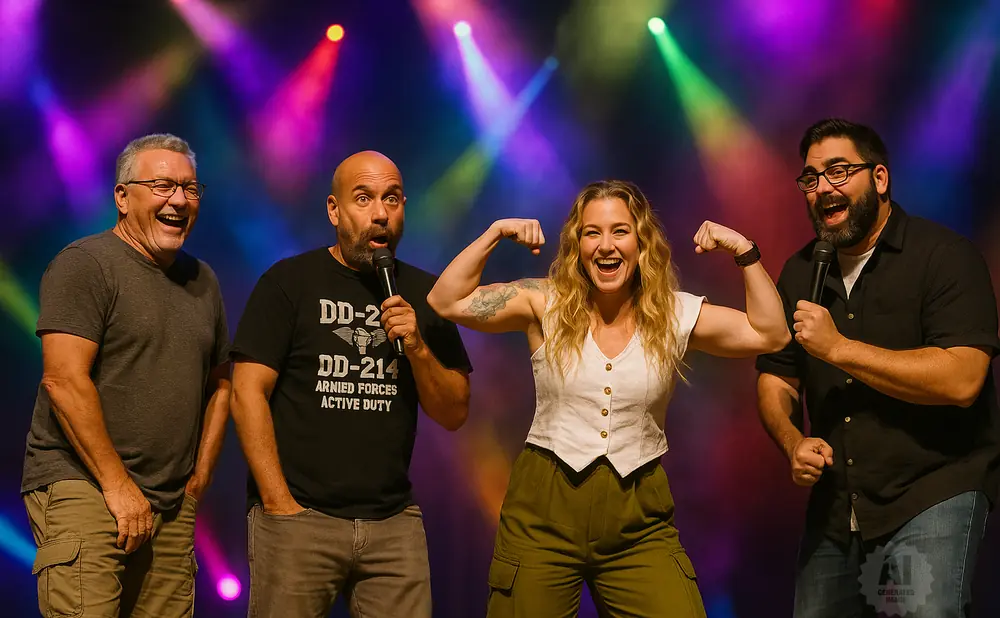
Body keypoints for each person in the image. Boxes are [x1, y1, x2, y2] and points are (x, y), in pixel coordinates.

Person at [427, 179, 790, 617]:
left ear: (642, 242)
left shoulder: (675, 314)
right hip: (542, 514)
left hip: (638, 519)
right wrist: (496, 233)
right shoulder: (545, 301)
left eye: (619, 231)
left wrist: (744, 252)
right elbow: (446, 300)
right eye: (591, 232)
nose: (605, 245)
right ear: (577, 245)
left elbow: (771, 333)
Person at [755, 118, 1000, 618]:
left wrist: (839, 348)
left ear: (880, 179)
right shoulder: (801, 271)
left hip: (933, 491)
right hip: (836, 511)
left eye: (839, 171)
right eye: (811, 178)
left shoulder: (944, 257)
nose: (823, 188)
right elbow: (777, 376)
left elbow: (963, 379)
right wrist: (790, 440)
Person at [230, 150, 473, 618]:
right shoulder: (289, 283)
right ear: (334, 210)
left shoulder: (428, 294)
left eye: (392, 199)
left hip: (393, 523)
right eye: (363, 199)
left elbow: (454, 412)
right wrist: (279, 503)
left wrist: (419, 346)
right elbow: (246, 393)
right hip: (300, 517)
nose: (380, 213)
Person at [21, 133, 231, 618]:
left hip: (171, 503)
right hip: (86, 487)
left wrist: (198, 478)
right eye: (161, 186)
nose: (178, 200)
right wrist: (118, 487)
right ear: (122, 197)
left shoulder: (203, 280)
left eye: (190, 188)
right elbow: (63, 381)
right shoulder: (86, 264)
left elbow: (221, 382)